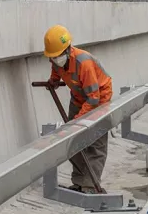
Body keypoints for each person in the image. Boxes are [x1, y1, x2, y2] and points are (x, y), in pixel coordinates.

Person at [43, 25, 113, 192]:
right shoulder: (57, 60)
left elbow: (93, 98)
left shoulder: (84, 63)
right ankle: (80, 182)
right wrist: (53, 80)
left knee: (96, 145)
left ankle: (90, 185)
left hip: (99, 99)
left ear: (68, 50)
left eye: (59, 56)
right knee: (73, 141)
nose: (56, 59)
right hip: (78, 97)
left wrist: (78, 121)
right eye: (53, 57)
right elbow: (57, 70)